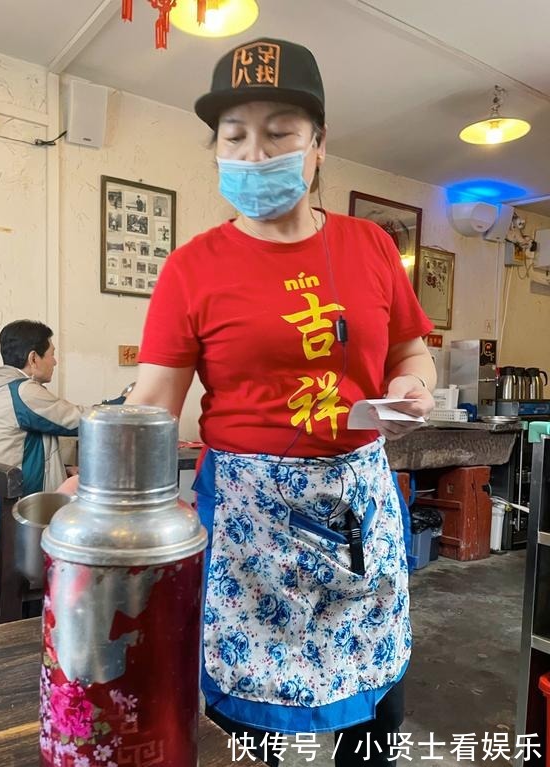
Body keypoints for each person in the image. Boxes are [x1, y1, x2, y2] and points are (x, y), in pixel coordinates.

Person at [64, 38, 436, 766]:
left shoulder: (371, 248)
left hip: (358, 507)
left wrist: (409, 384)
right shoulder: (191, 268)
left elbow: (408, 350)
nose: (256, 153)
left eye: (280, 133)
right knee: (259, 738)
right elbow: (152, 405)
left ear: (320, 145)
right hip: (249, 522)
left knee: (375, 725)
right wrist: (101, 490)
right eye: (234, 136)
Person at [0, 320, 87, 544]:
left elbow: (16, 449)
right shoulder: (22, 391)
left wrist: (63, 469)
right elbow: (80, 421)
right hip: (7, 523)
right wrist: (124, 405)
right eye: (51, 354)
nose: (55, 361)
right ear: (33, 358)